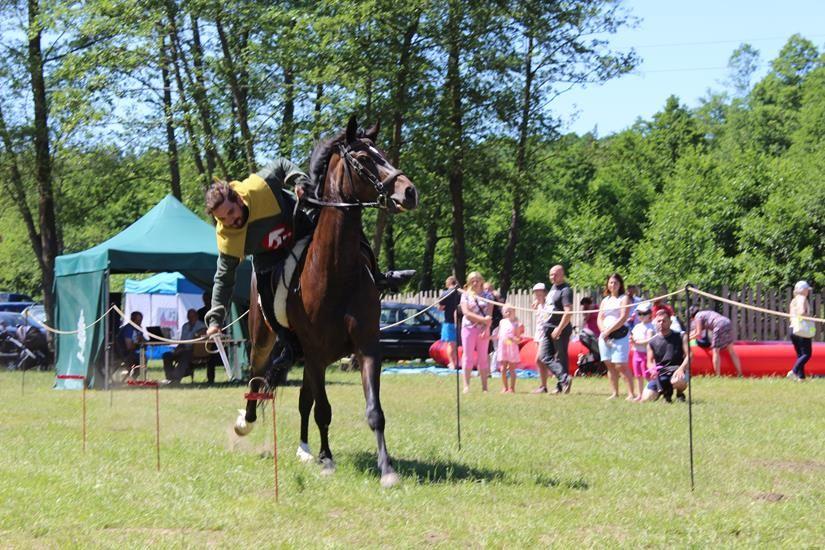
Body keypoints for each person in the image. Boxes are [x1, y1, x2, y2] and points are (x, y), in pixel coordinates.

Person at [203, 159, 415, 377]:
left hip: (301, 224)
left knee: (342, 221)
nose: (230, 221)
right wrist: (215, 320)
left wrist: (299, 180)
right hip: (269, 258)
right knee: (267, 302)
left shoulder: (259, 186)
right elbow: (223, 279)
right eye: (222, 219)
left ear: (238, 198)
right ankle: (289, 345)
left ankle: (377, 276)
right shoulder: (227, 237)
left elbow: (282, 165)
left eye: (231, 212)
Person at [598, 273, 636, 400]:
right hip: (605, 336)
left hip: (620, 335)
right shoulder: (605, 300)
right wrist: (604, 331)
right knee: (609, 364)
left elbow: (623, 316)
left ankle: (631, 393)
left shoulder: (624, 298)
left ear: (620, 285)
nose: (613, 285)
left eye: (615, 283)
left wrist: (609, 331)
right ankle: (615, 393)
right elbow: (600, 318)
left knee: (620, 365)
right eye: (610, 283)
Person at [641, 309, 689, 403]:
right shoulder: (652, 342)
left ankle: (680, 394)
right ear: (655, 323)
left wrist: (681, 368)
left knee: (677, 381)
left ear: (670, 322)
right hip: (661, 373)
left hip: (677, 370)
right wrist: (653, 370)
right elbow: (650, 361)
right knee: (646, 398)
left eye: (664, 320)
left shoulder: (681, 336)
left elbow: (689, 356)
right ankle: (666, 392)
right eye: (659, 321)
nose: (661, 323)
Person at [542, 265, 574, 394]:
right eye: (551, 274)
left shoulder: (565, 290)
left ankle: (561, 385)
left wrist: (559, 329)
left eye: (555, 274)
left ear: (562, 274)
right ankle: (564, 379)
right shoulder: (553, 288)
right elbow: (551, 307)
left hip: (559, 328)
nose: (552, 277)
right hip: (548, 327)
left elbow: (568, 312)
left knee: (561, 357)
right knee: (544, 356)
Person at [460, 271, 492, 393]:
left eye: (477, 280)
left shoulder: (488, 296)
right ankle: (466, 386)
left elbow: (489, 314)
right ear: (469, 282)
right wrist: (482, 320)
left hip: (483, 329)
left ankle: (485, 387)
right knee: (468, 357)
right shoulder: (465, 295)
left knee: (483, 358)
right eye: (472, 280)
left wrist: (485, 327)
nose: (475, 282)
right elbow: (466, 313)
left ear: (481, 281)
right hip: (468, 328)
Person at [689, 307, 742, 377]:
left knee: (715, 351)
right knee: (731, 351)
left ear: (691, 316)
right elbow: (696, 331)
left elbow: (698, 333)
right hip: (727, 322)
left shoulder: (697, 317)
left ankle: (718, 375)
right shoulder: (704, 313)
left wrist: (688, 339)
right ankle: (740, 373)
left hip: (719, 325)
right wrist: (689, 335)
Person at [161, 309, 206, 385]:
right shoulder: (185, 326)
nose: (190, 318)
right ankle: (169, 378)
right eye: (189, 316)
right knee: (167, 355)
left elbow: (199, 342)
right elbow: (182, 341)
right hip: (183, 348)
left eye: (192, 316)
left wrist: (183, 349)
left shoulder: (202, 326)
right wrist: (178, 349)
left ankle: (175, 378)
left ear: (197, 316)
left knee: (186, 354)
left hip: (194, 350)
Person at [788, 280, 815, 381]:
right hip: (801, 329)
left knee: (800, 354)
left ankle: (801, 377)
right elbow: (801, 312)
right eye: (807, 289)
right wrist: (810, 317)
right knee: (807, 354)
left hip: (793, 328)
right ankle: (794, 371)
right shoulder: (802, 298)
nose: (808, 291)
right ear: (802, 290)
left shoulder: (793, 300)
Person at [629, 301, 655, 401]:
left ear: (650, 314)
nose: (641, 316)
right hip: (636, 353)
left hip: (646, 355)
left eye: (644, 313)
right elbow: (633, 337)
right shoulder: (637, 326)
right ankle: (640, 395)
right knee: (638, 375)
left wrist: (637, 342)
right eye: (639, 313)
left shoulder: (650, 327)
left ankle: (650, 393)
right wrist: (632, 340)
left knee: (647, 376)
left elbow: (649, 340)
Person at [530, 282, 552, 393]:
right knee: (540, 361)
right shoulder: (538, 305)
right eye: (536, 293)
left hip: (546, 334)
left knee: (539, 359)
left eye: (540, 292)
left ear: (544, 293)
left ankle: (545, 384)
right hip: (538, 334)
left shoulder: (549, 305)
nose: (538, 294)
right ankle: (543, 386)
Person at [496, 305, 523, 393]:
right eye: (506, 311)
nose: (507, 313)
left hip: (511, 348)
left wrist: (513, 339)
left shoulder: (516, 323)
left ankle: (512, 388)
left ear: (513, 312)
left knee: (512, 368)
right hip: (503, 347)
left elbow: (519, 339)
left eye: (509, 311)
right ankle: (505, 387)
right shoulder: (502, 322)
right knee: (503, 368)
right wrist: (488, 337)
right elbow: (499, 335)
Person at [437, 276, 461, 369]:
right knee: (459, 345)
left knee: (451, 344)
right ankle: (457, 362)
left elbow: (440, 308)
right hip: (460, 322)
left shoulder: (445, 294)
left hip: (449, 321)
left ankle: (452, 363)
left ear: (448, 283)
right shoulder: (461, 293)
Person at [116, 311, 144, 378]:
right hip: (124, 354)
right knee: (142, 358)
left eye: (140, 320)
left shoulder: (138, 329)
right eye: (138, 321)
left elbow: (142, 340)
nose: (140, 323)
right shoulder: (128, 329)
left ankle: (134, 378)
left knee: (142, 357)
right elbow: (129, 347)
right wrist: (138, 342)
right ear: (132, 320)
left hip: (132, 353)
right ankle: (132, 378)